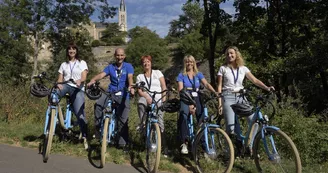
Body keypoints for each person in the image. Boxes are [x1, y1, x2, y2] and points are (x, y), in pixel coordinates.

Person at [217, 46, 275, 156]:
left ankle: (249, 145)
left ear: (236, 54)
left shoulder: (243, 68)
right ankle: (230, 152)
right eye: (227, 54)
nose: (229, 55)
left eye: (231, 53)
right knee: (231, 128)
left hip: (241, 96)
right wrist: (219, 103)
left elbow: (254, 80)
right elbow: (219, 86)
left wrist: (267, 88)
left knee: (255, 119)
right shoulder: (223, 68)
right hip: (227, 96)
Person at [87, 48, 134, 151]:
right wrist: (93, 80)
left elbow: (130, 77)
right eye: (118, 55)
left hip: (123, 94)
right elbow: (101, 75)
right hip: (110, 92)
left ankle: (122, 143)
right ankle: (98, 129)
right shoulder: (110, 67)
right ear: (115, 56)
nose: (119, 57)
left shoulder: (128, 66)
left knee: (123, 119)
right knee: (98, 105)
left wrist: (131, 86)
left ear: (124, 56)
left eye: (121, 55)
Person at [177, 55, 217, 154]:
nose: (189, 63)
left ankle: (204, 146)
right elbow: (181, 90)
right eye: (187, 62)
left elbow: (206, 84)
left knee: (202, 119)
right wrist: (189, 103)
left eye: (191, 61)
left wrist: (215, 92)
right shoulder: (181, 75)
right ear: (184, 63)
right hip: (186, 97)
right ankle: (184, 142)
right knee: (184, 114)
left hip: (197, 97)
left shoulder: (198, 74)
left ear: (194, 63)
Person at [56, 43, 89, 150]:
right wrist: (59, 84)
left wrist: (80, 80)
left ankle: (84, 135)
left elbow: (84, 76)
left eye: (73, 49)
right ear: (67, 51)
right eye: (69, 49)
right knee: (54, 94)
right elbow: (60, 79)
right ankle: (54, 117)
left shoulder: (82, 63)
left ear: (76, 51)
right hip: (66, 86)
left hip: (77, 88)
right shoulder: (63, 64)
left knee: (80, 114)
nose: (71, 51)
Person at [136, 55, 169, 157]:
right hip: (147, 99)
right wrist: (146, 96)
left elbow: (163, 86)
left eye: (148, 61)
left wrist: (163, 100)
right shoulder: (140, 76)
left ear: (151, 63)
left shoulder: (158, 73)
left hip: (158, 100)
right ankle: (143, 122)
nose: (146, 64)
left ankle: (164, 148)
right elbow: (139, 91)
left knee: (160, 123)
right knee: (141, 101)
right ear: (142, 65)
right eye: (144, 62)